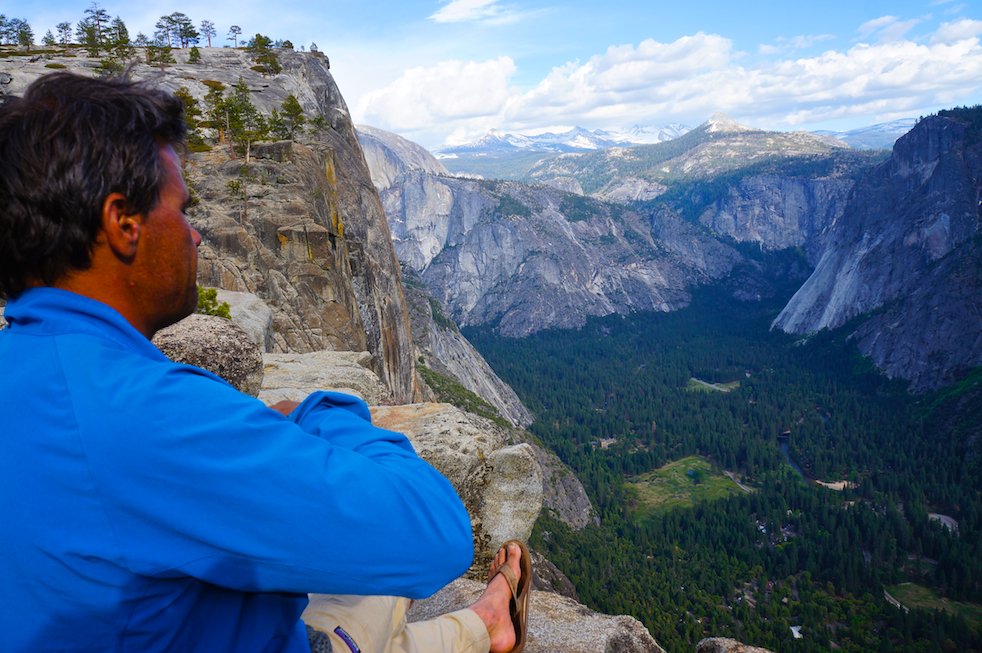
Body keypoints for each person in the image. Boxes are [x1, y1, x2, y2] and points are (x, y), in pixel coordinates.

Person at [0, 72, 530, 653]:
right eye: (182, 209)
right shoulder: (150, 417)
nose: (196, 235)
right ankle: (488, 621)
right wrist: (319, 415)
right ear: (123, 222)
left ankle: (486, 624)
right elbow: (436, 534)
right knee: (368, 589)